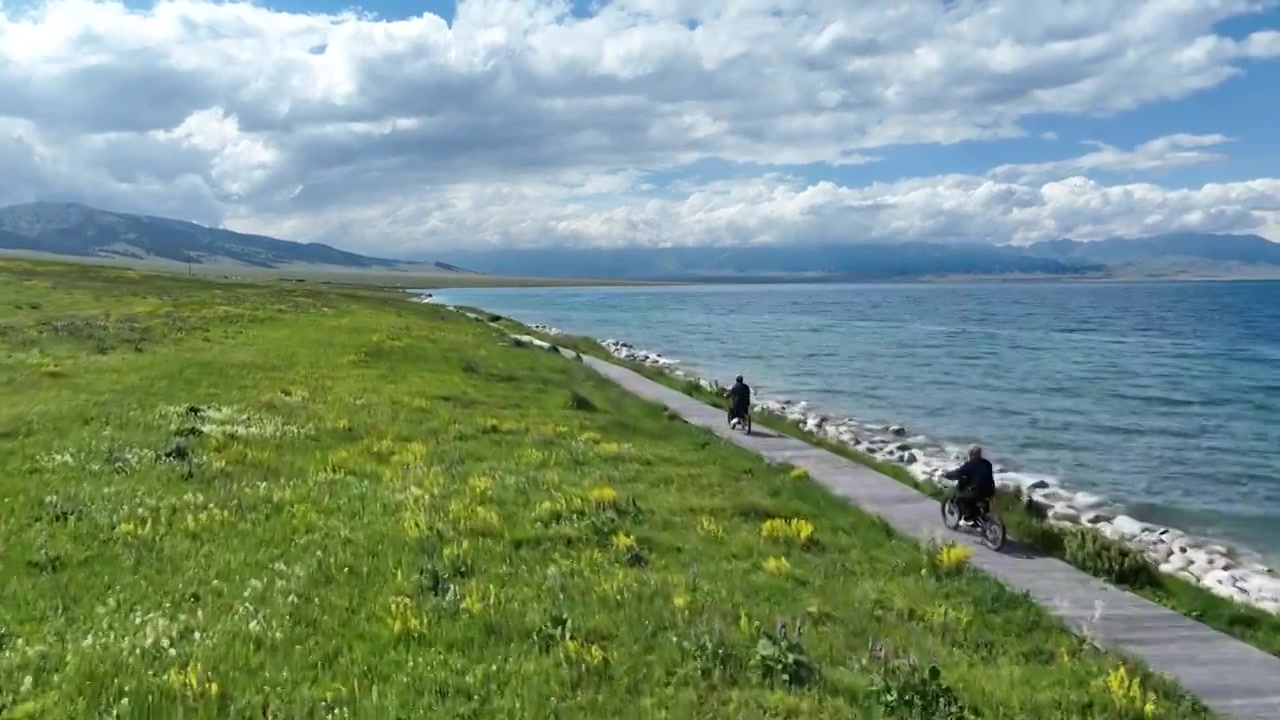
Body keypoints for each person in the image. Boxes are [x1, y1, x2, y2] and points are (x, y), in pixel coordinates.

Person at [944, 445, 995, 525]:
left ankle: (968, 518)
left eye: (969, 453)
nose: (968, 455)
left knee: (961, 498)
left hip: (977, 491)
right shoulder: (987, 463)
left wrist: (946, 475)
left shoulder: (970, 464)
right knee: (978, 499)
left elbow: (958, 473)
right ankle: (984, 517)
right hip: (990, 491)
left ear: (972, 454)